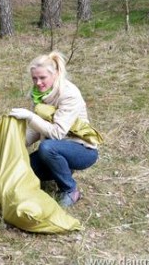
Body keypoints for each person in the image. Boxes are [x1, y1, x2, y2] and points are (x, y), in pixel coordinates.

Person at [9, 51, 100, 207]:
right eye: (34, 78)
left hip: (82, 149)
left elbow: (57, 133)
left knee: (47, 147)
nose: (38, 82)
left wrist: (30, 116)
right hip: (57, 147)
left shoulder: (69, 94)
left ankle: (70, 190)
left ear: (56, 74)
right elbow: (37, 129)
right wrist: (16, 145)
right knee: (25, 169)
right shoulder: (40, 94)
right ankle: (63, 168)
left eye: (42, 77)